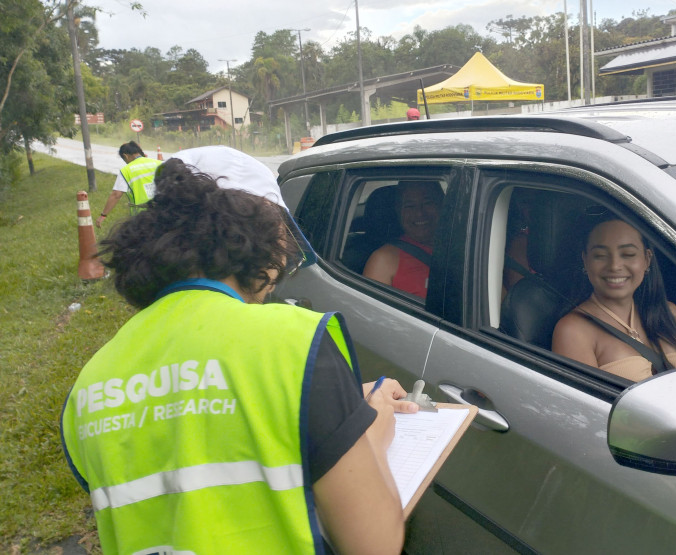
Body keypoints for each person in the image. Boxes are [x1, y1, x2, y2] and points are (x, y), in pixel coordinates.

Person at [61, 146, 416, 554]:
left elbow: (198, 447)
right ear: (260, 234)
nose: (279, 276)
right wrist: (372, 431)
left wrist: (340, 412)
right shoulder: (292, 341)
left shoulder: (89, 384)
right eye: (285, 254)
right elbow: (375, 544)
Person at [552, 218, 676, 382]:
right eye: (600, 256)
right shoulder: (573, 330)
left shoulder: (669, 313)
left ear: (647, 259)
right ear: (585, 261)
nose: (614, 266)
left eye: (628, 254)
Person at [363, 180, 443, 299]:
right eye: (410, 206)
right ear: (398, 211)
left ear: (442, 205)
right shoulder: (384, 260)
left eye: (427, 203)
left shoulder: (463, 246)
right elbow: (371, 309)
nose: (419, 213)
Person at [95, 141, 163, 228]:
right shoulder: (159, 163)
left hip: (141, 216)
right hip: (162, 210)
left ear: (126, 156)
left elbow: (116, 195)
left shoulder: (126, 171)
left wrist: (103, 215)